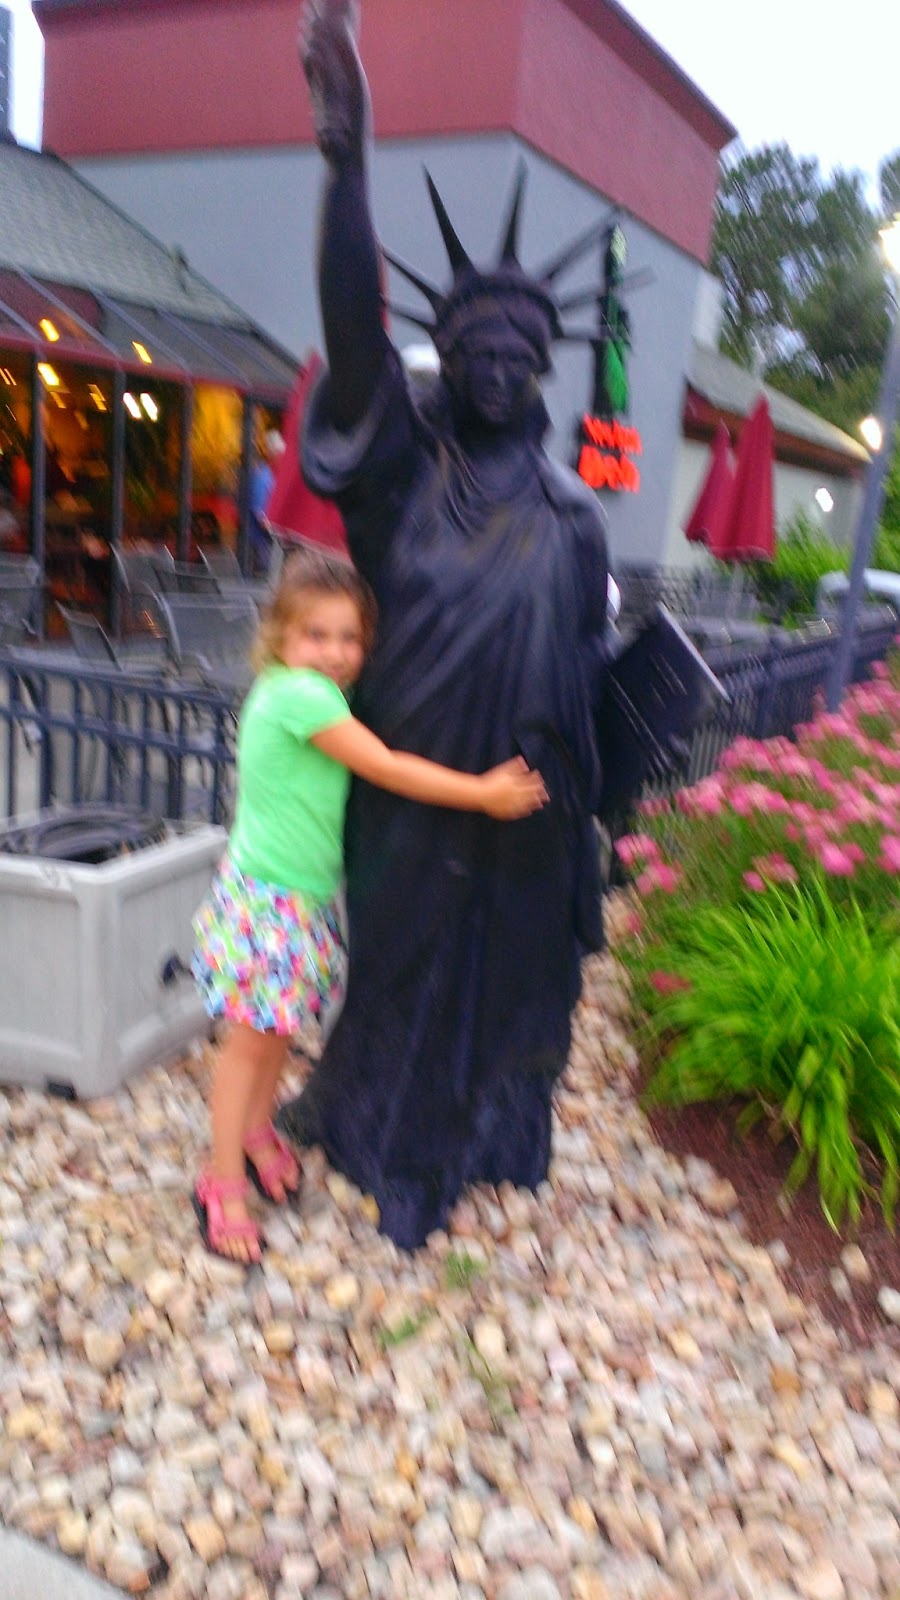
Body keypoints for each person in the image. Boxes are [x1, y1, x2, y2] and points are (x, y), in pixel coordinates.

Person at [275, 0, 616, 1248]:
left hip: (527, 798)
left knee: (499, 968)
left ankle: (463, 1142)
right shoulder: (401, 479)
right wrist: (346, 157)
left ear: (542, 371)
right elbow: (352, 331)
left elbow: (586, 662)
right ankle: (376, 1129)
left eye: (519, 353)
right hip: (410, 779)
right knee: (401, 954)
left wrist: (591, 787)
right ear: (450, 365)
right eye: (476, 351)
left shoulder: (574, 517)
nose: (498, 368)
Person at [190, 547, 546, 1262]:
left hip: (296, 897)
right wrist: (482, 793)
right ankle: (220, 1177)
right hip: (271, 903)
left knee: (276, 1032)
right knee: (250, 1042)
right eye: (316, 635)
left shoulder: (302, 692)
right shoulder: (303, 696)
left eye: (349, 637)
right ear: (280, 636)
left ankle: (257, 1131)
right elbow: (383, 765)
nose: (335, 652)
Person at [249, 429, 286, 575]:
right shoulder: (262, 479)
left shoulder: (271, 477)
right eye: (280, 455)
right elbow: (262, 519)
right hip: (263, 545)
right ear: (273, 455)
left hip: (267, 544)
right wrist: (283, 532)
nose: (283, 459)